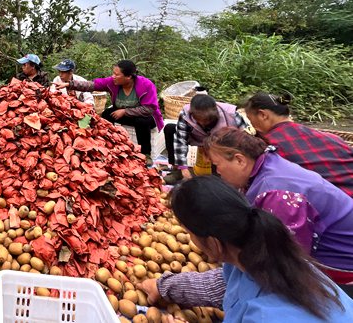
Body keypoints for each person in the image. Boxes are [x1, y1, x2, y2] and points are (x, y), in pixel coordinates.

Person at [138, 127, 353, 307]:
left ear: (240, 160)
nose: (217, 172)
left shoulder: (276, 195)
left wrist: (166, 286)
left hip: (342, 275)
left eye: (217, 165)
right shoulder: (266, 168)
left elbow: (268, 273)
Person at [164, 176, 353, 321]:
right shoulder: (264, 255)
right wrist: (164, 287)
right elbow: (222, 285)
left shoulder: (264, 316)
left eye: (189, 233)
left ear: (214, 244)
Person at [244, 92, 353, 198]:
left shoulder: (268, 146)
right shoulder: (332, 138)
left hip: (336, 207)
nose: (251, 124)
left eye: (249, 119)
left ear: (263, 115)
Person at [56, 60, 163, 165]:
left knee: (141, 122)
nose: (113, 76)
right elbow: (92, 85)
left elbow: (149, 109)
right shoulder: (113, 82)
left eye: (117, 74)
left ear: (128, 76)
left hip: (146, 116)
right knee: (106, 114)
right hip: (124, 113)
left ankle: (145, 153)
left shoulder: (146, 85)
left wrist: (125, 111)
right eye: (113, 73)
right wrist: (70, 84)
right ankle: (109, 145)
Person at [163, 94, 250, 184]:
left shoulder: (232, 114)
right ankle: (177, 171)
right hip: (197, 138)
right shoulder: (186, 114)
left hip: (221, 142)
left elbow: (246, 139)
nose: (203, 123)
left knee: (218, 176)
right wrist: (183, 168)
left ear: (215, 112)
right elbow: (180, 141)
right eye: (199, 119)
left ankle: (218, 176)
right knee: (170, 129)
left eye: (208, 119)